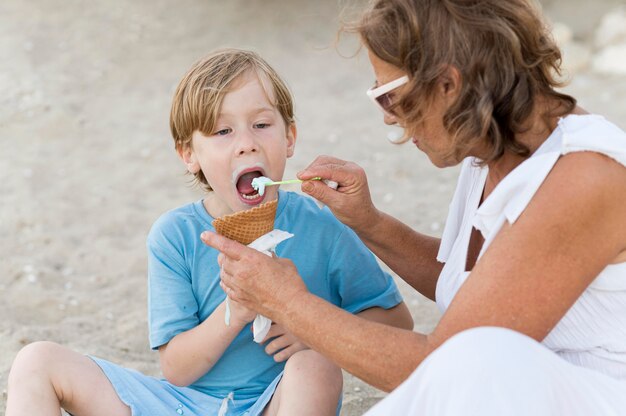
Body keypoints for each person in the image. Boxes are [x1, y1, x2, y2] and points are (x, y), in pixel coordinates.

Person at [201, 1, 626, 414]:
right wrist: (370, 223)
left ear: (448, 85)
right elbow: (481, 291)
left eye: (388, 96)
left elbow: (451, 365)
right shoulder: (493, 151)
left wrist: (287, 302)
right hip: (519, 390)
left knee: (487, 353)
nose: (387, 117)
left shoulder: (582, 177)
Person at [5, 49, 413, 416]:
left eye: (261, 124)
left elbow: (397, 322)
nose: (246, 145)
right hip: (181, 406)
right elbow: (177, 369)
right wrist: (235, 310)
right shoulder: (175, 236)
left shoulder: (322, 224)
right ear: (189, 155)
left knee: (316, 366)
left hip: (274, 403)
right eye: (223, 132)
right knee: (36, 361)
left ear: (289, 137)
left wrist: (318, 329)